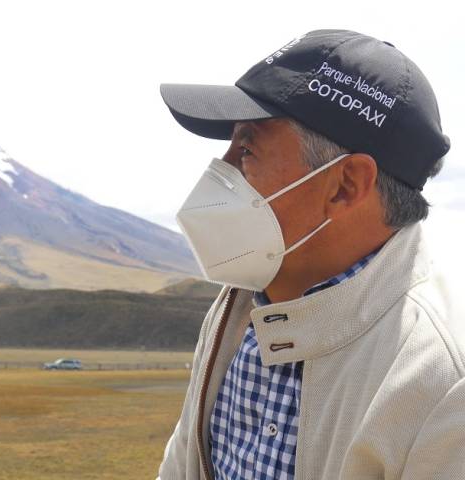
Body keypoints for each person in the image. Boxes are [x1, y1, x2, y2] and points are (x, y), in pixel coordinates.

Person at [156, 29, 464, 480]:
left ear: (344, 186)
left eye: (246, 147)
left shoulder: (441, 382)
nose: (221, 168)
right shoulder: (241, 304)